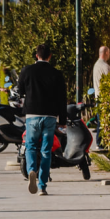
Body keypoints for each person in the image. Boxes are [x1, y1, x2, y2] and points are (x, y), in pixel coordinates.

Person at [15, 43, 67, 196]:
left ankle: (31, 170)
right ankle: (42, 185)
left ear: (36, 56)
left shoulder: (27, 71)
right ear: (50, 56)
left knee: (30, 146)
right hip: (50, 117)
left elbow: (20, 90)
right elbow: (62, 99)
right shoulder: (57, 74)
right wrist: (62, 120)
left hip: (32, 115)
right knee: (46, 151)